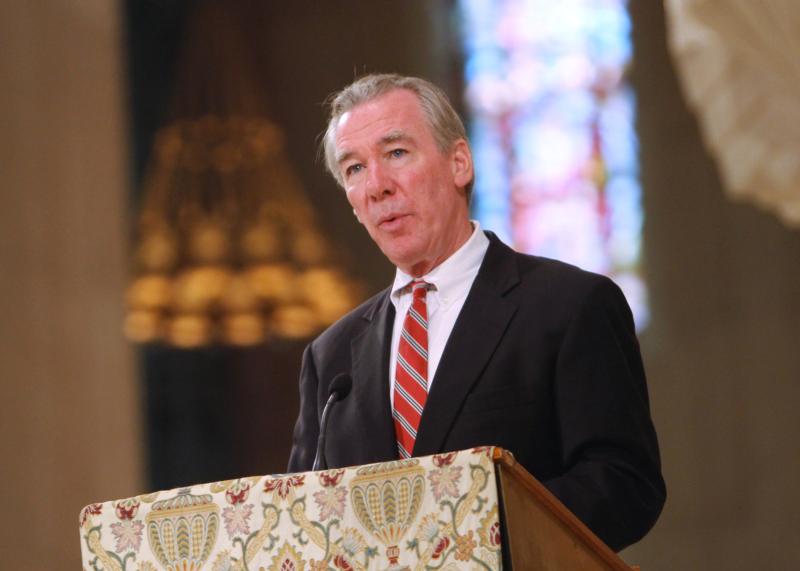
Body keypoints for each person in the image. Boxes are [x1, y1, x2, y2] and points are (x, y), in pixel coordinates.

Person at [287, 73, 665, 551]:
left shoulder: (568, 306)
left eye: (396, 153)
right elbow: (300, 517)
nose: (376, 186)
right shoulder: (331, 357)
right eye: (354, 168)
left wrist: (471, 535)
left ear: (459, 163)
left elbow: (625, 483)